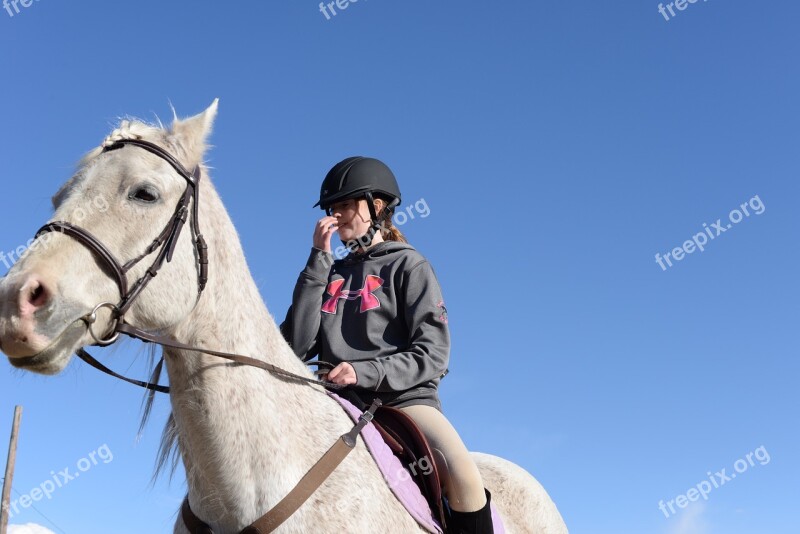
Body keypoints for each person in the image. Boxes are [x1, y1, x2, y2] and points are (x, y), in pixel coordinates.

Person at [280, 156, 494, 534]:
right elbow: (295, 345)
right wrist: (318, 260)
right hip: (335, 402)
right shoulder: (328, 272)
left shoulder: (410, 266)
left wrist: (364, 371)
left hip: (402, 405)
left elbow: (433, 354)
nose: (338, 214)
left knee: (464, 477)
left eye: (347, 204)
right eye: (334, 207)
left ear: (376, 207)